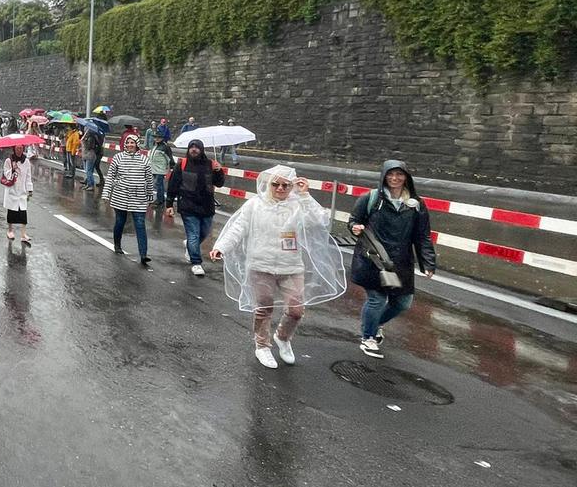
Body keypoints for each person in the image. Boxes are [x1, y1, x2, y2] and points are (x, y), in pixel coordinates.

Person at [210, 165, 345, 369]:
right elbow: (238, 228)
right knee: (263, 307)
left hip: (291, 265)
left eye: (285, 185)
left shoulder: (298, 204)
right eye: (276, 184)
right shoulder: (255, 204)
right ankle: (262, 345)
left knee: (296, 310)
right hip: (260, 265)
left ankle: (283, 336)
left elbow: (320, 221)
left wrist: (306, 195)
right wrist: (222, 247)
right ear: (268, 184)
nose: (281, 188)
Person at [349, 160, 438, 359]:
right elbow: (354, 221)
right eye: (390, 174)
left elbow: (422, 235)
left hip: (400, 262)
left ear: (406, 177)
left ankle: (375, 323)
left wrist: (428, 262)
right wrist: (355, 227)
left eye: (399, 174)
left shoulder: (416, 204)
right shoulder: (371, 198)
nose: (394, 178)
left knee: (403, 302)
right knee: (377, 299)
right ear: (383, 176)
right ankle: (368, 337)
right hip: (373, 259)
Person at [166, 138, 224, 277]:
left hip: (206, 205)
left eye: (196, 147)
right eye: (191, 146)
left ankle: (190, 246)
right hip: (188, 205)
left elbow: (219, 183)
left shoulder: (210, 164)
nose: (193, 149)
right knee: (193, 234)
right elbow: (173, 185)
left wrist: (219, 170)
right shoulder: (183, 164)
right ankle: (196, 263)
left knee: (203, 232)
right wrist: (169, 205)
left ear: (201, 149)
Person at [104, 133, 154, 264]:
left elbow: (149, 180)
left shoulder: (144, 160)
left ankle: (143, 254)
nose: (130, 145)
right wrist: (106, 193)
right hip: (121, 195)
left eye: (133, 143)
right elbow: (110, 177)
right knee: (120, 221)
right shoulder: (118, 158)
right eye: (128, 143)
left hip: (139, 197)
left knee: (140, 224)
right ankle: (117, 244)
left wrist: (150, 196)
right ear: (125, 144)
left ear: (137, 145)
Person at [1, 144, 34, 245]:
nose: (19, 150)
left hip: (22, 191)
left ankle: (23, 234)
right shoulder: (8, 161)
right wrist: (13, 169)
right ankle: (10, 230)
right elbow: (6, 174)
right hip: (12, 190)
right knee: (11, 211)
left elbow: (28, 176)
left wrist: (30, 189)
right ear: (14, 149)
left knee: (23, 212)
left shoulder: (26, 161)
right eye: (17, 148)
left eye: (21, 148)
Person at [147, 138, 171, 205]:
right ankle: (161, 199)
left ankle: (160, 200)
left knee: (159, 184)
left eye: (159, 137)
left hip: (160, 170)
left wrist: (170, 167)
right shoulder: (155, 146)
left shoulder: (165, 147)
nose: (157, 139)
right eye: (155, 137)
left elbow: (169, 158)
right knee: (158, 184)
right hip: (154, 169)